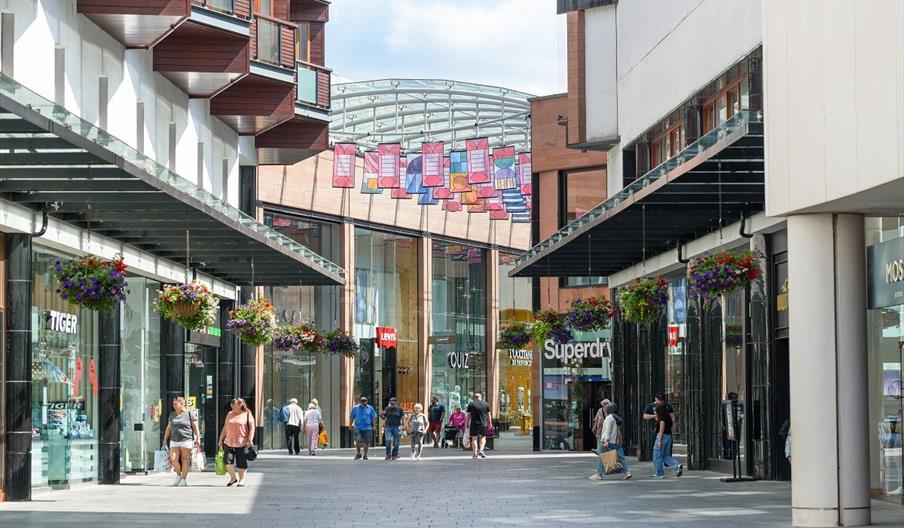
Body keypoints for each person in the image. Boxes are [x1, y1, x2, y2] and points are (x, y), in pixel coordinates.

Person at [162, 396, 200, 486]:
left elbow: (195, 427)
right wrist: (165, 439)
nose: (174, 405)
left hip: (186, 440)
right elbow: (169, 428)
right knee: (173, 459)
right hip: (174, 440)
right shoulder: (172, 415)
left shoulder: (190, 414)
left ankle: (184, 479)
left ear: (182, 404)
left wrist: (198, 438)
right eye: (173, 404)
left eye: (176, 404)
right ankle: (179, 474)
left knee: (185, 459)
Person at [217, 397, 255, 487]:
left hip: (242, 442)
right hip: (228, 442)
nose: (231, 406)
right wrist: (220, 439)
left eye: (233, 404)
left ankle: (241, 480)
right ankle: (233, 478)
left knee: (241, 462)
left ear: (240, 405)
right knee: (227, 461)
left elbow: (252, 428)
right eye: (231, 404)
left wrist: (250, 440)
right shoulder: (229, 414)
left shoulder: (247, 414)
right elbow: (225, 427)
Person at [589, 402, 631, 480]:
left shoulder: (609, 418)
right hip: (616, 441)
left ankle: (599, 474)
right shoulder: (616, 418)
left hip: (608, 441)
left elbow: (607, 430)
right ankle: (627, 472)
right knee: (621, 457)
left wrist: (606, 441)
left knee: (602, 457)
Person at [651, 403, 683, 479]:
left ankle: (659, 473)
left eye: (656, 411)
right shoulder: (668, 419)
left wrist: (659, 441)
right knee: (666, 455)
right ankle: (676, 465)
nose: (655, 412)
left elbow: (661, 431)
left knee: (657, 456)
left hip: (662, 437)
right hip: (669, 437)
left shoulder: (662, 420)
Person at [643, 393, 676, 464]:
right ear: (655, 398)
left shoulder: (667, 406)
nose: (660, 401)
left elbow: (672, 415)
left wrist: (671, 424)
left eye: (662, 399)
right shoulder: (650, 406)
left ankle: (664, 465)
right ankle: (664, 463)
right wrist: (656, 416)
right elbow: (645, 416)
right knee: (658, 448)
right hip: (656, 429)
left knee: (663, 449)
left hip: (665, 430)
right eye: (659, 399)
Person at [349, 396, 377, 460]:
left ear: (367, 402)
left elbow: (373, 417)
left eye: (365, 401)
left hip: (367, 428)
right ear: (360, 402)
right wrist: (350, 425)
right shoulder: (356, 408)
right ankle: (358, 453)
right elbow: (352, 417)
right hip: (358, 427)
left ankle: (365, 455)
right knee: (358, 440)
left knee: (366, 442)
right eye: (362, 401)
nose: (363, 403)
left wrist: (374, 426)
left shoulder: (370, 408)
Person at [466, 392, 492, 459]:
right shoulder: (486, 404)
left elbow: (468, 415)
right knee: (483, 437)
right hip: (483, 423)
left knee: (474, 438)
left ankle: (475, 454)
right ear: (480, 397)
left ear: (474, 398)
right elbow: (489, 415)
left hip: (474, 424)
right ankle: (481, 450)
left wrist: (466, 423)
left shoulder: (471, 404)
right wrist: (490, 423)